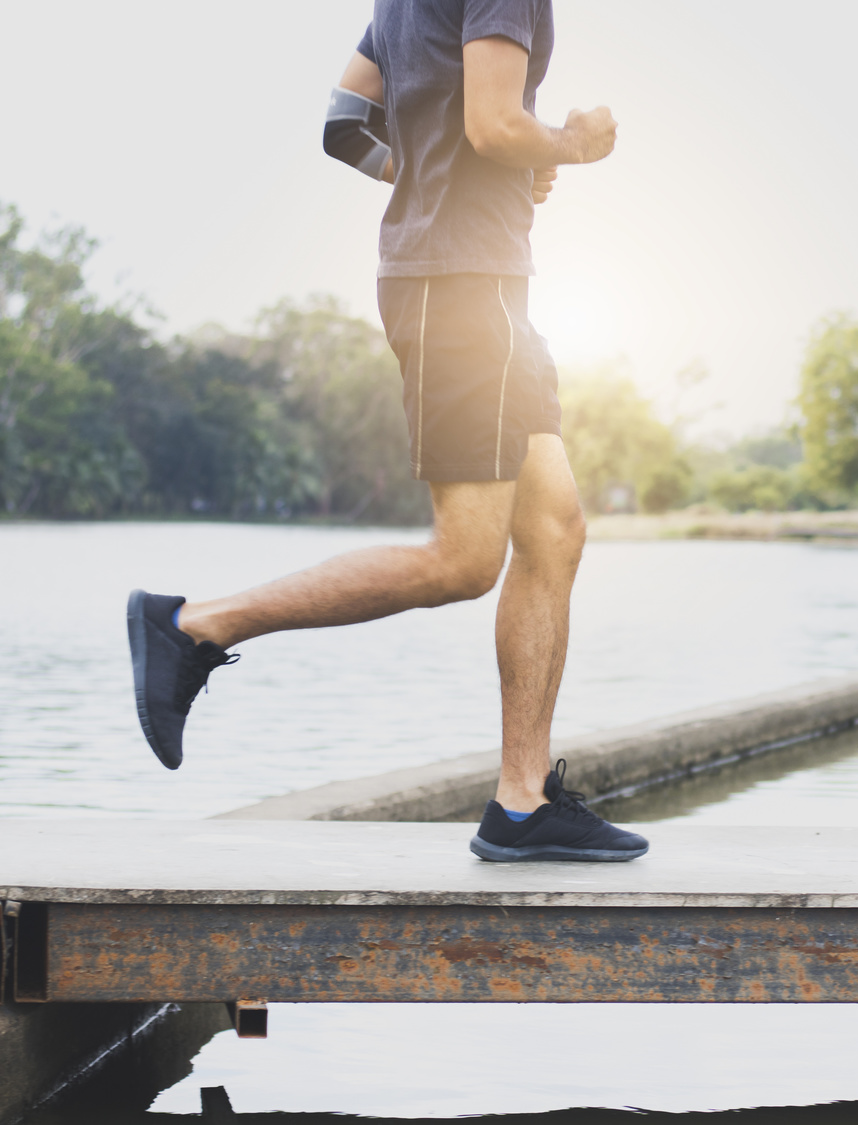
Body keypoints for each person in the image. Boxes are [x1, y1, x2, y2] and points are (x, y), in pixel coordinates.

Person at [125, 0, 648, 863]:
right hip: (461, 287)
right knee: (465, 559)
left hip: (481, 287)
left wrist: (455, 169)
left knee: (554, 530)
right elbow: (491, 123)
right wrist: (565, 142)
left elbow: (344, 124)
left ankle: (521, 803)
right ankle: (192, 625)